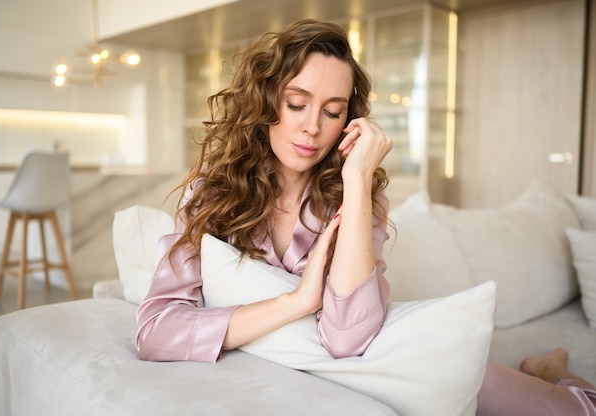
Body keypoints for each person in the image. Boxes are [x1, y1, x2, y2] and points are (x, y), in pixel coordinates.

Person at [136, 19, 596, 416]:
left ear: (347, 121)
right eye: (296, 103)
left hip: (391, 354)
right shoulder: (210, 197)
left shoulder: (356, 198)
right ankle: (547, 370)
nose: (313, 126)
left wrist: (357, 179)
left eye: (332, 111)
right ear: (264, 102)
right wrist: (296, 302)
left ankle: (554, 373)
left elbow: (347, 338)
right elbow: (155, 331)